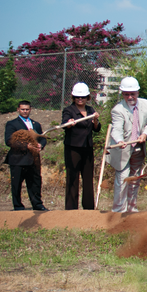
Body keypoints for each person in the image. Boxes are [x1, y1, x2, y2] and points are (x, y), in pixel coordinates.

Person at [109, 76, 147, 213]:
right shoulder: (118, 109)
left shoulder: (145, 104)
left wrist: (145, 134)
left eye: (132, 93)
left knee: (134, 178)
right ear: (122, 94)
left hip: (138, 146)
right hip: (123, 148)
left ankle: (132, 208)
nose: (130, 97)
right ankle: (119, 210)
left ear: (138, 92)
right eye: (126, 94)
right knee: (122, 179)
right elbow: (116, 129)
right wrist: (119, 140)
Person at [62, 82, 101, 210]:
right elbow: (64, 124)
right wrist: (69, 123)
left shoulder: (90, 110)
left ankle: (88, 207)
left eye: (83, 97)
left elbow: (96, 129)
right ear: (73, 97)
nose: (80, 99)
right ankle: (71, 208)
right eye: (78, 97)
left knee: (88, 178)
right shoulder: (69, 110)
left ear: (87, 97)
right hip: (73, 148)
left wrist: (95, 120)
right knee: (72, 177)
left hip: (87, 148)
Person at [4, 100, 47, 211]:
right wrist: (26, 146)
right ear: (18, 109)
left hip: (33, 159)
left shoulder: (36, 124)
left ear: (30, 109)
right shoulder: (12, 124)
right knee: (17, 183)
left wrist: (40, 145)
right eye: (22, 109)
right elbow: (9, 141)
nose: (25, 111)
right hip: (18, 158)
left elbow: (42, 138)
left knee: (35, 182)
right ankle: (18, 206)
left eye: (27, 109)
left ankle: (37, 205)